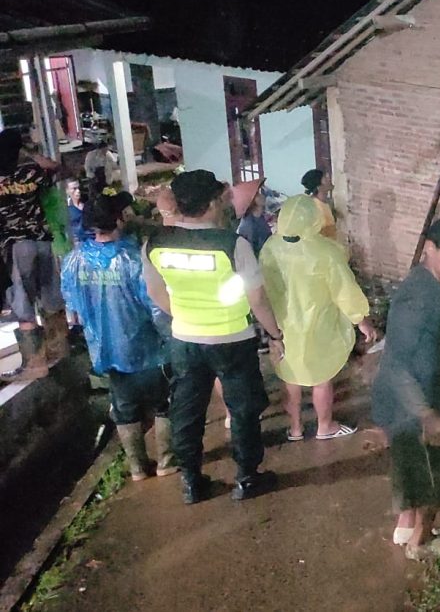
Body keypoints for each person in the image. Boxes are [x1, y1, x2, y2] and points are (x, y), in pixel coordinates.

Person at [142, 170, 285, 504]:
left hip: (185, 340)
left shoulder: (156, 242)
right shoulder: (233, 244)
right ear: (209, 204)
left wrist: (185, 317)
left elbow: (155, 290)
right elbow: (257, 300)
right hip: (232, 339)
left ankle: (192, 483)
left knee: (188, 412)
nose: (225, 202)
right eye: (221, 197)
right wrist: (276, 335)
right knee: (244, 409)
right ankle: (247, 479)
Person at [370, 216, 440, 557]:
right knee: (430, 468)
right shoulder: (417, 296)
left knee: (412, 465)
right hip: (410, 398)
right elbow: (399, 362)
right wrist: (427, 414)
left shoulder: (433, 285)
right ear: (429, 248)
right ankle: (421, 543)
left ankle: (410, 525)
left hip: (422, 389)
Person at [61, 195, 177, 481]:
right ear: (118, 220)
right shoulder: (134, 258)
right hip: (147, 349)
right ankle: (166, 461)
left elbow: (73, 310)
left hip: (106, 353)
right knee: (165, 403)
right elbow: (156, 307)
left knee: (125, 409)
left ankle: (137, 468)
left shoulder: (73, 262)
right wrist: (173, 340)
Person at [260, 195, 377, 441]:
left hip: (281, 326)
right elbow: (344, 290)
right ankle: (325, 426)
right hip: (318, 325)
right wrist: (361, 320)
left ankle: (295, 428)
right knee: (321, 378)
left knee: (289, 375)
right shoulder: (325, 251)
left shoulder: (271, 246)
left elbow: (263, 286)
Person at [0, 128, 66, 381]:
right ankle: (58, 352)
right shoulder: (30, 172)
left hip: (17, 246)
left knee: (22, 300)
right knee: (50, 294)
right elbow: (58, 168)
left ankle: (35, 363)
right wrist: (29, 151)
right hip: (43, 241)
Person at [233, 178, 271, 256]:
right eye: (258, 194)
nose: (262, 195)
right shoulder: (248, 225)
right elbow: (249, 252)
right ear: (252, 200)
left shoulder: (260, 218)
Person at [301, 169, 337, 240]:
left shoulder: (327, 202)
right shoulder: (316, 207)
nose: (329, 179)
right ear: (319, 187)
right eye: (325, 178)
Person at [65, 179, 92, 243]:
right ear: (67, 191)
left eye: (79, 188)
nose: (78, 191)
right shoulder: (66, 209)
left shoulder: (88, 204)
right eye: (74, 189)